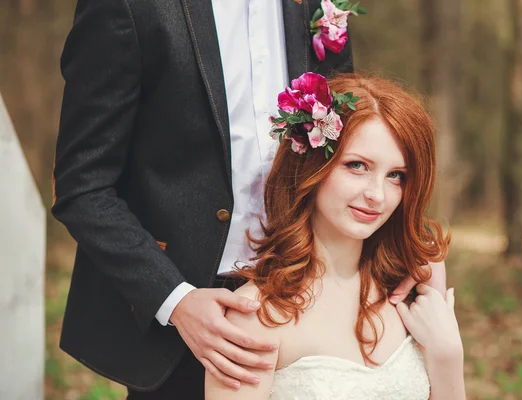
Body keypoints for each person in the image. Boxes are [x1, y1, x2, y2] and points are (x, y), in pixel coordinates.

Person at [52, 0, 446, 398]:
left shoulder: (315, 4)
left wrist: (414, 239)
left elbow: (356, 138)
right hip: (192, 307)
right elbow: (83, 186)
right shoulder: (131, 7)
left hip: (319, 283)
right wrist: (175, 300)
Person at [205, 73, 465, 400]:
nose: (377, 195)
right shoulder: (256, 313)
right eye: (357, 165)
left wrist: (448, 358)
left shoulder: (412, 295)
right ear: (311, 165)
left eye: (395, 175)